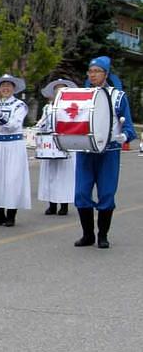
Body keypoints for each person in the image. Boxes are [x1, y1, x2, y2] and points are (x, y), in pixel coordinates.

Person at [74, 57, 137, 249]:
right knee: (81, 192)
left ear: (106, 74)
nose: (93, 75)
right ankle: (87, 235)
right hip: (86, 150)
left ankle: (103, 235)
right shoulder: (81, 95)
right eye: (90, 71)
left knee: (107, 193)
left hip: (109, 152)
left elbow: (129, 128)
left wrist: (124, 136)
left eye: (97, 71)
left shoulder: (118, 96)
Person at [0, 74, 30, 226]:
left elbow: (13, 125)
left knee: (12, 179)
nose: (5, 88)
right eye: (3, 86)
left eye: (8, 86)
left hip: (13, 146)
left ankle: (11, 215)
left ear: (14, 88)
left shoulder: (19, 105)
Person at [35, 78, 76, 216]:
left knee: (64, 175)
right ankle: (51, 204)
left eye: (62, 89)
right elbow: (42, 123)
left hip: (66, 142)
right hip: (50, 144)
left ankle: (64, 205)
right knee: (50, 174)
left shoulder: (72, 106)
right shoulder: (48, 108)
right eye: (57, 89)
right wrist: (36, 128)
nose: (59, 91)